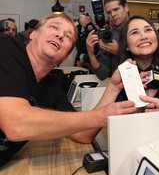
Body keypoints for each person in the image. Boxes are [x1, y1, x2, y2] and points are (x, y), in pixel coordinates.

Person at [0, 13, 137, 167]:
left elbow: (84, 134)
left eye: (68, 36)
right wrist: (99, 116)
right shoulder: (7, 47)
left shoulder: (51, 87)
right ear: (33, 34)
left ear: (65, 56)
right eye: (54, 27)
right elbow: (16, 125)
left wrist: (113, 87)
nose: (59, 35)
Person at [86, 0, 130, 80]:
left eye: (116, 9)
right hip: (118, 89)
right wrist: (91, 54)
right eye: (109, 12)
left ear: (126, 7)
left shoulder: (140, 28)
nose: (113, 15)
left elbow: (149, 60)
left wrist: (120, 52)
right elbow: (102, 74)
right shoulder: (108, 36)